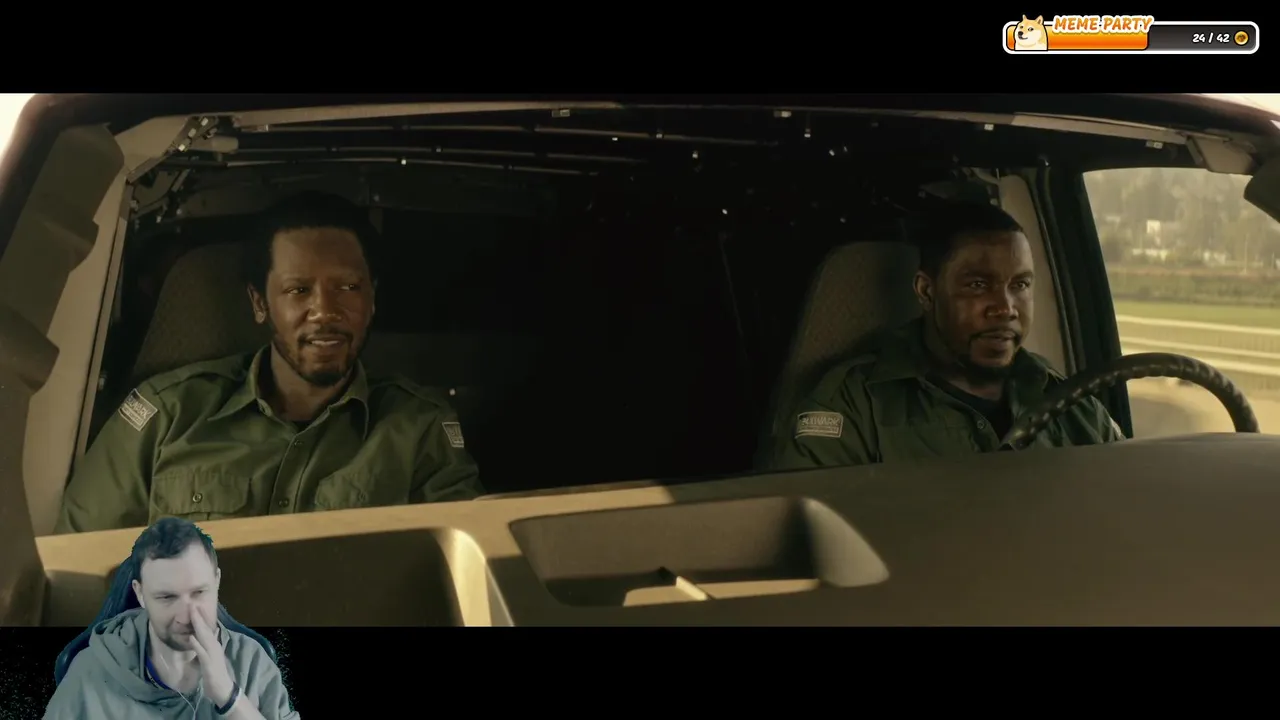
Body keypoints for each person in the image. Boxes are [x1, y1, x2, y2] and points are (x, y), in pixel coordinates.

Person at [56, 192, 483, 533]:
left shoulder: (419, 429)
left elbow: (464, 574)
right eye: (299, 290)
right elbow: (79, 571)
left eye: (349, 287)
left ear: (372, 300)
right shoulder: (165, 415)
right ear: (260, 303)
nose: (325, 311)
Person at [766, 200, 1125, 469]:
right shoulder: (855, 405)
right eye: (978, 284)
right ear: (926, 292)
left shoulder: (1073, 405)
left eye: (1020, 285)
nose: (1005, 308)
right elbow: (808, 534)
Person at [44, 517, 298, 719]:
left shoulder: (252, 661)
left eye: (199, 593)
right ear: (140, 594)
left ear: (217, 581)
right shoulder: (91, 669)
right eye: (167, 597)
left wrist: (229, 696)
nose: (186, 616)